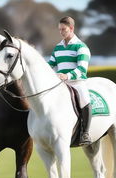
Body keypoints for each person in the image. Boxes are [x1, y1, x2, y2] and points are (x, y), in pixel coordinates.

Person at [48, 16, 92, 145]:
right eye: (59, 29)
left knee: (85, 99)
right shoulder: (57, 48)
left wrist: (67, 76)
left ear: (71, 28)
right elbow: (50, 64)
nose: (61, 32)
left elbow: (82, 69)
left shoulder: (81, 47)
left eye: (63, 29)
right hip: (61, 84)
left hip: (77, 83)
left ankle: (85, 133)